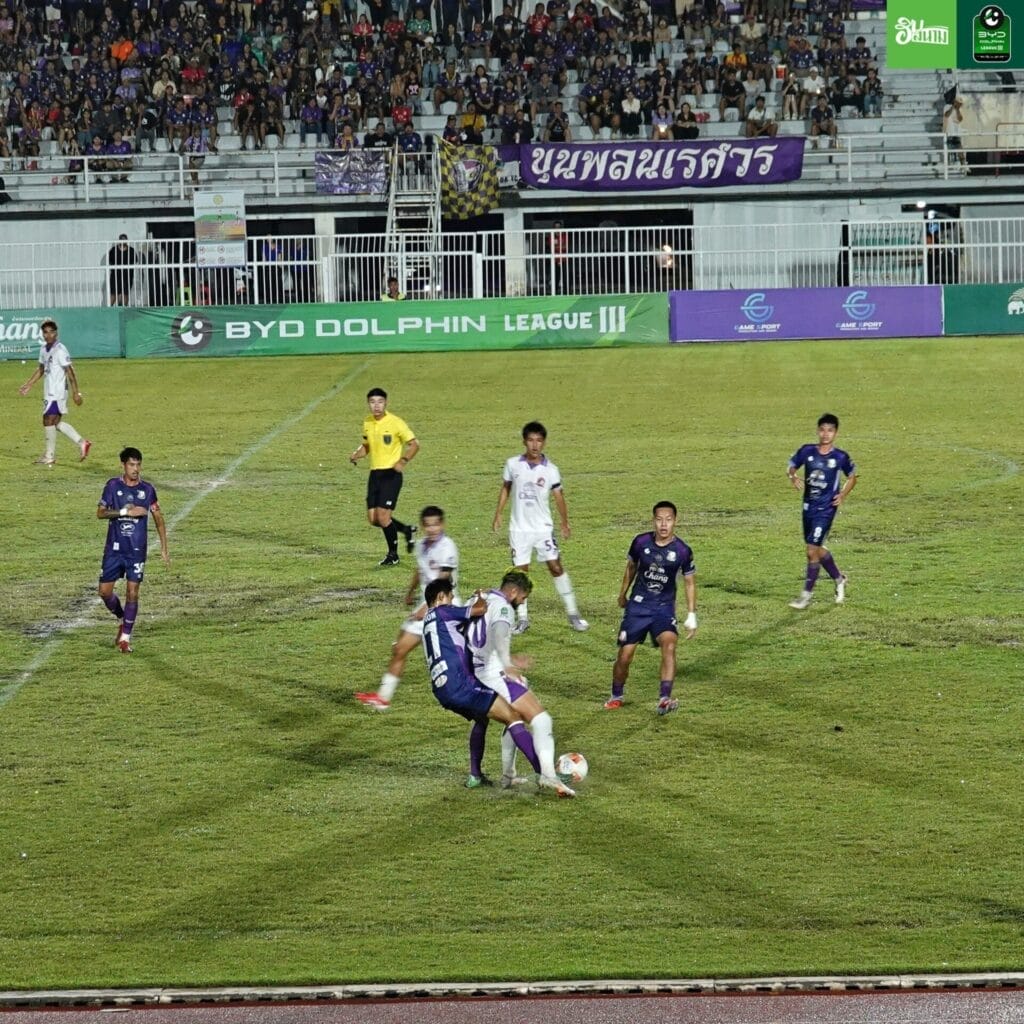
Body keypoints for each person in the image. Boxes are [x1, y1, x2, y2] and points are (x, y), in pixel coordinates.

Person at [421, 578, 544, 790]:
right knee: (513, 717)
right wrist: (481, 596)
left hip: (442, 690)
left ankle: (475, 776)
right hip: (461, 685)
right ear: (440, 597)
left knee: (481, 718)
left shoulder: (428, 621)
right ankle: (546, 774)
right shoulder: (443, 612)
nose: (452, 600)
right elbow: (480, 609)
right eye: (450, 597)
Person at [465, 570, 575, 796]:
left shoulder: (477, 599)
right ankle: (548, 776)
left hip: (470, 674)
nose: (522, 603)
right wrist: (507, 663)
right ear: (513, 591)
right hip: (492, 674)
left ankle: (504, 776)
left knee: (506, 718)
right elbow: (499, 632)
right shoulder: (504, 607)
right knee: (541, 720)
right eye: (523, 598)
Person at [355, 505, 460, 711]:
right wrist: (410, 592)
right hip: (427, 606)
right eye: (428, 525)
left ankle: (383, 698)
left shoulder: (447, 547)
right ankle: (383, 698)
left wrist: (426, 607)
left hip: (443, 608)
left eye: (435, 525)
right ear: (422, 526)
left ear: (442, 524)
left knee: (405, 649)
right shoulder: (421, 545)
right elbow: (420, 570)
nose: (432, 529)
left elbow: (444, 582)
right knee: (399, 648)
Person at [492, 421, 587, 633]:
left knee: (556, 567)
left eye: (539, 441)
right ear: (524, 441)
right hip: (519, 530)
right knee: (521, 574)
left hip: (543, 529)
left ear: (544, 443)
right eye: (531, 440)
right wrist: (498, 513)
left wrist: (564, 522)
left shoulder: (551, 470)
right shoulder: (512, 464)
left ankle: (573, 614)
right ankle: (523, 619)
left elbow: (559, 497)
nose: (535, 445)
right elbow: (505, 488)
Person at [604, 501, 698, 716]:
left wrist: (692, 614)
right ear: (653, 520)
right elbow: (631, 567)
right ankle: (616, 695)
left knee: (669, 645)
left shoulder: (682, 551)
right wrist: (622, 594)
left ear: (675, 521)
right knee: (625, 656)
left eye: (668, 520)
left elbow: (690, 582)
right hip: (638, 606)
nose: (664, 524)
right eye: (659, 519)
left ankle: (664, 698)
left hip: (663, 609)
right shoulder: (640, 542)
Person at [96, 446, 170, 654]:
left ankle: (125, 638)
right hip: (114, 549)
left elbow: (158, 518)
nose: (135, 469)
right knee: (104, 592)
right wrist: (124, 512)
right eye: (131, 465)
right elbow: (100, 513)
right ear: (123, 465)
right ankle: (122, 618)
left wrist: (164, 547)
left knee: (132, 591)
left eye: (138, 465)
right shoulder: (112, 486)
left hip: (136, 551)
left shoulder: (148, 490)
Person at [787, 413, 857, 610]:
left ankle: (806, 596)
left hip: (826, 510)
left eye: (830, 430)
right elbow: (791, 466)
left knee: (811, 551)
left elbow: (852, 477)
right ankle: (839, 579)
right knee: (816, 549)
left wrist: (842, 495)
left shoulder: (840, 457)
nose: (826, 434)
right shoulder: (807, 451)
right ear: (818, 431)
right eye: (823, 430)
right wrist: (793, 477)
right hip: (808, 507)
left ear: (836, 433)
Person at [350, 387, 419, 566]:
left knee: (383, 517)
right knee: (374, 519)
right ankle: (407, 530)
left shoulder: (396, 422)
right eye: (372, 402)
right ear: (368, 404)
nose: (376, 406)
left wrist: (403, 461)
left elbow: (414, 444)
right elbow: (367, 445)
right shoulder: (367, 422)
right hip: (375, 474)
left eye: (380, 402)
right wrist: (357, 454)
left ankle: (393, 555)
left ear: (386, 403)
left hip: (391, 474)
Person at [17, 317, 91, 466]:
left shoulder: (60, 350)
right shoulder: (43, 349)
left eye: (51, 332)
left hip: (57, 392)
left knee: (47, 420)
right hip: (49, 391)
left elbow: (70, 371)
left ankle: (49, 456)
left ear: (56, 333)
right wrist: (29, 384)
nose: (48, 335)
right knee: (55, 423)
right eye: (45, 332)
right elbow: (41, 369)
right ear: (42, 334)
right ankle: (82, 443)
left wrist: (76, 392)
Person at [107, 234, 138, 306]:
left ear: (127, 240)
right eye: (121, 239)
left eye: (124, 239)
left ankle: (123, 309)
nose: (123, 241)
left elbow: (135, 261)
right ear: (119, 240)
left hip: (127, 276)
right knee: (113, 294)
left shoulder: (131, 250)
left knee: (125, 294)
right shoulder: (113, 250)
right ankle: (108, 310)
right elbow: (110, 261)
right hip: (115, 276)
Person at [944, 96, 967, 173]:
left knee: (960, 149)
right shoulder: (947, 107)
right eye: (959, 103)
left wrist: (957, 110)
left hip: (956, 133)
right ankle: (947, 167)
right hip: (949, 132)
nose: (960, 105)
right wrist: (952, 108)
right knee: (948, 150)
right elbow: (946, 115)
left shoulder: (959, 110)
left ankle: (963, 165)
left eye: (960, 104)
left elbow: (960, 119)